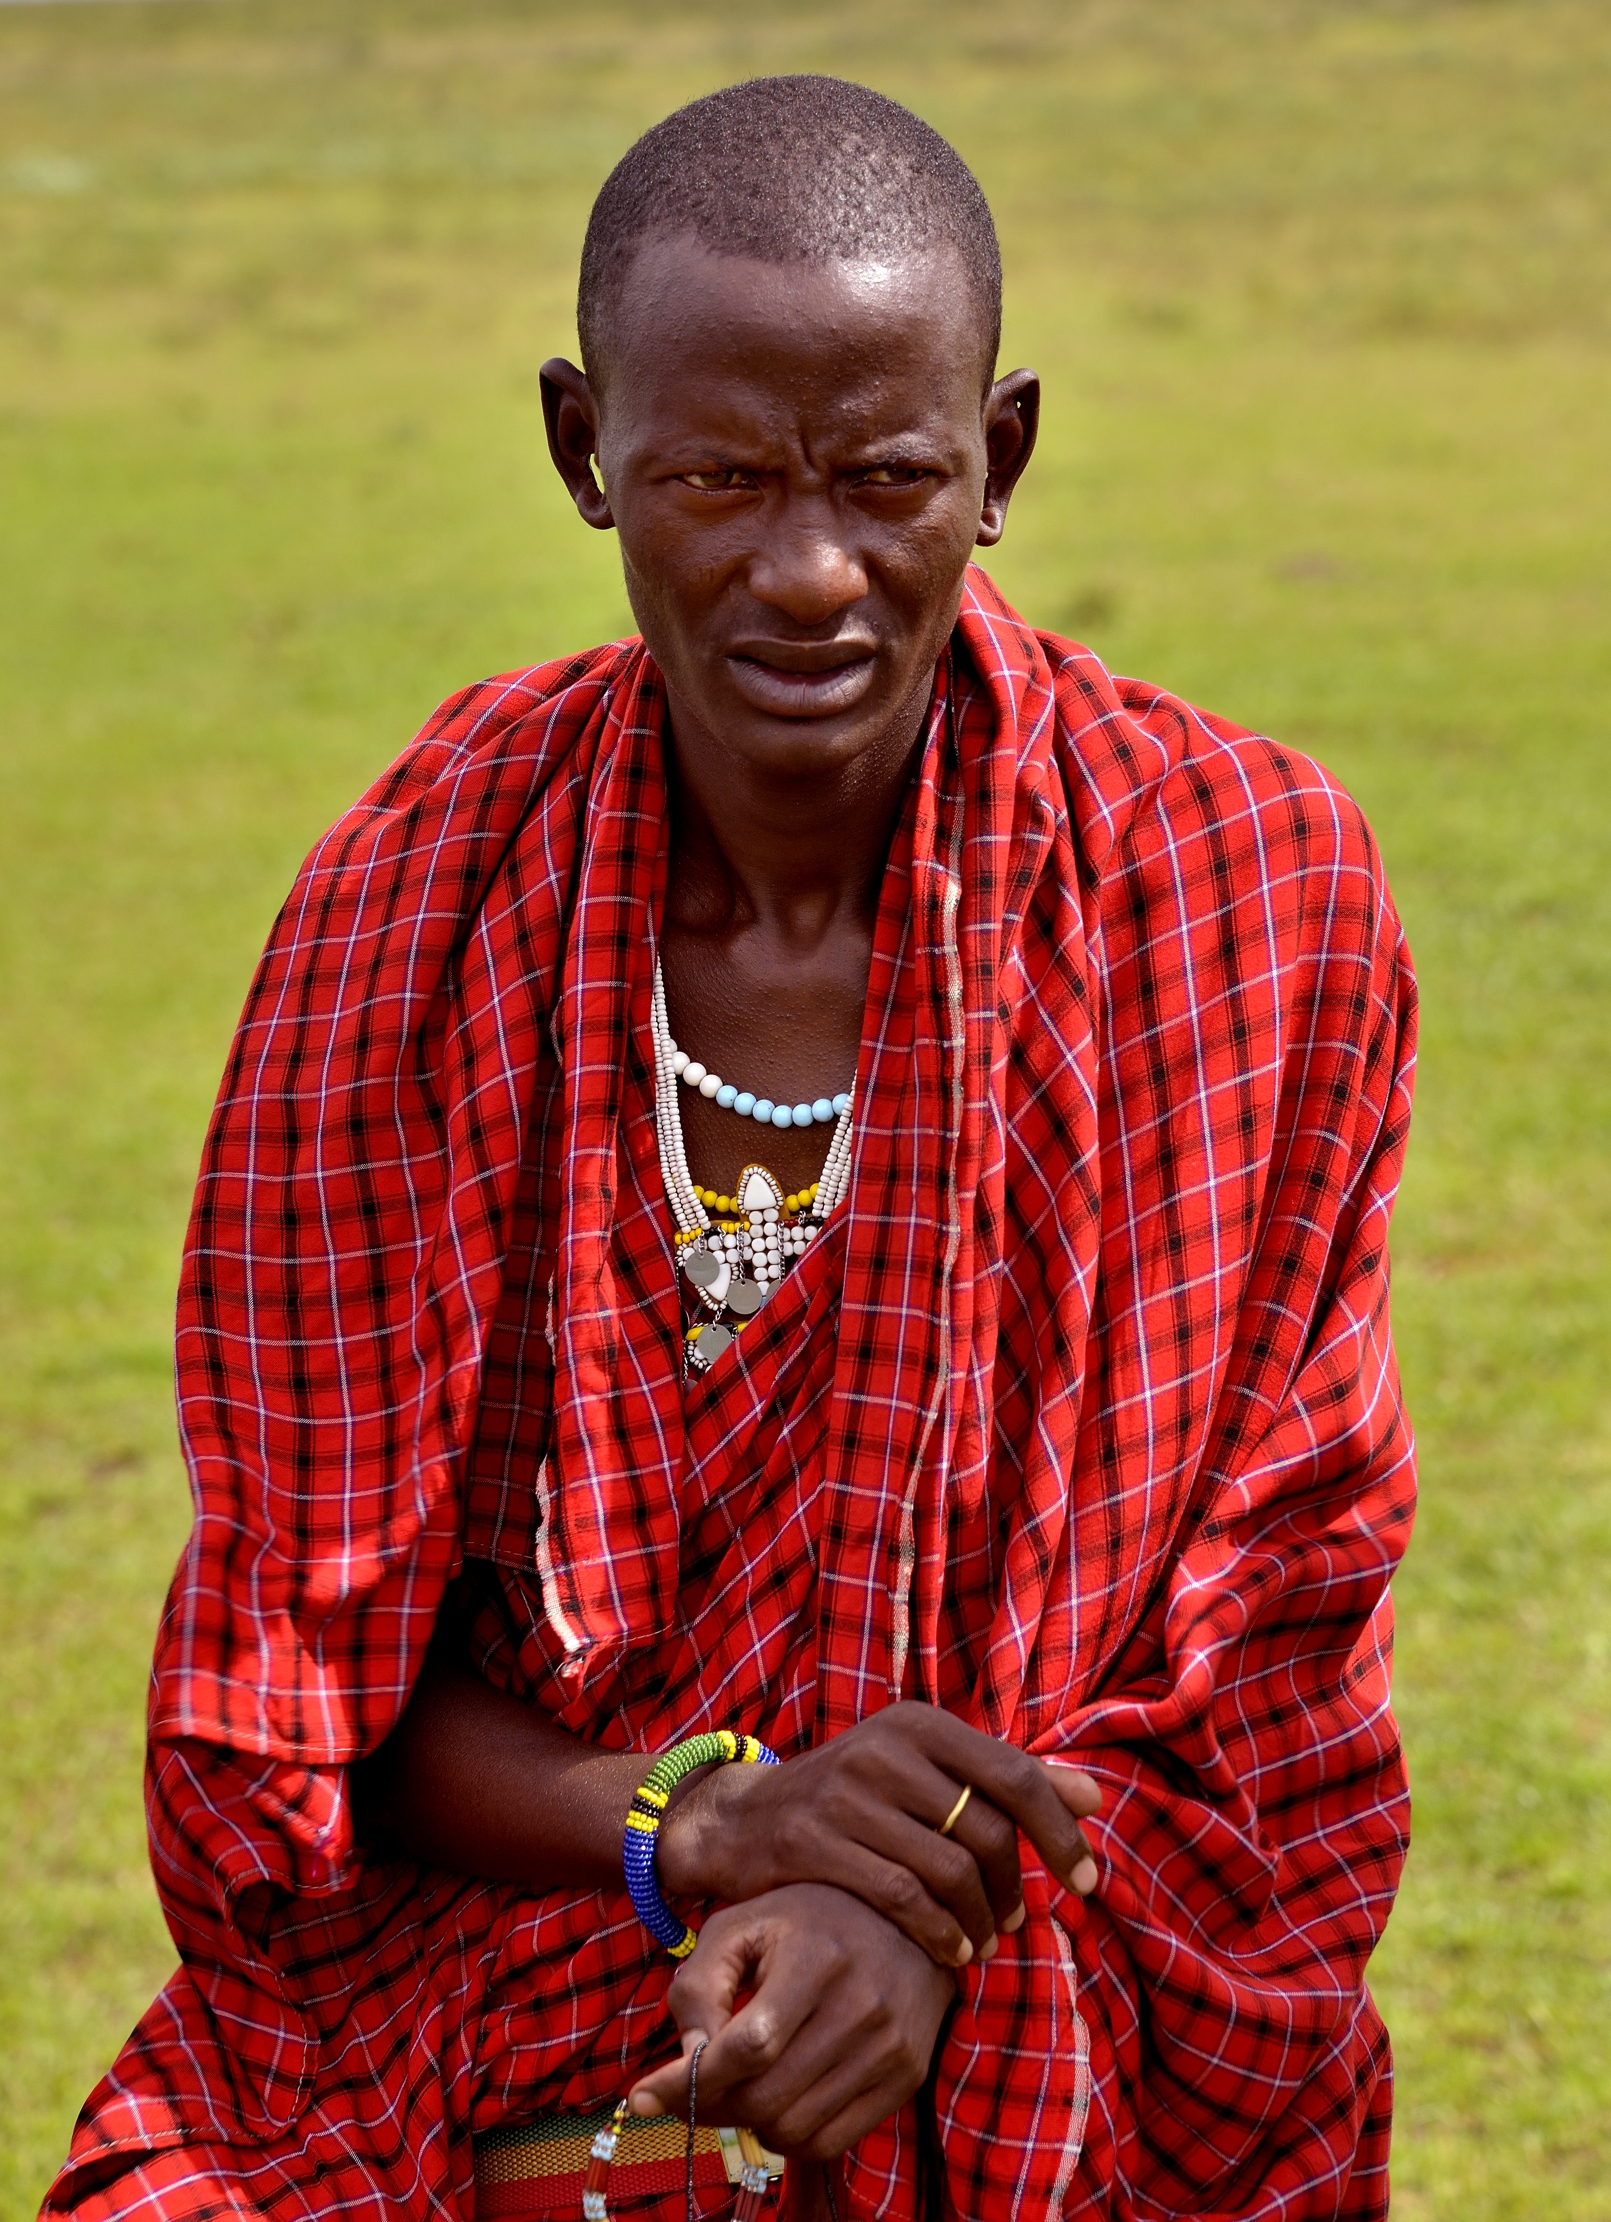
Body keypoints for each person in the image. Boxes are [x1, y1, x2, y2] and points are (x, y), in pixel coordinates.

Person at [45, 73, 1417, 2222]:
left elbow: (1252, 1653)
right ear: (580, 448)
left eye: (888, 475)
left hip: (1055, 1964)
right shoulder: (411, 909)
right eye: (711, 474)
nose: (808, 573)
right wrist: (700, 1827)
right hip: (507, 1947)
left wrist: (909, 1919)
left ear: (1005, 455)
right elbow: (301, 1707)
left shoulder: (1232, 890)